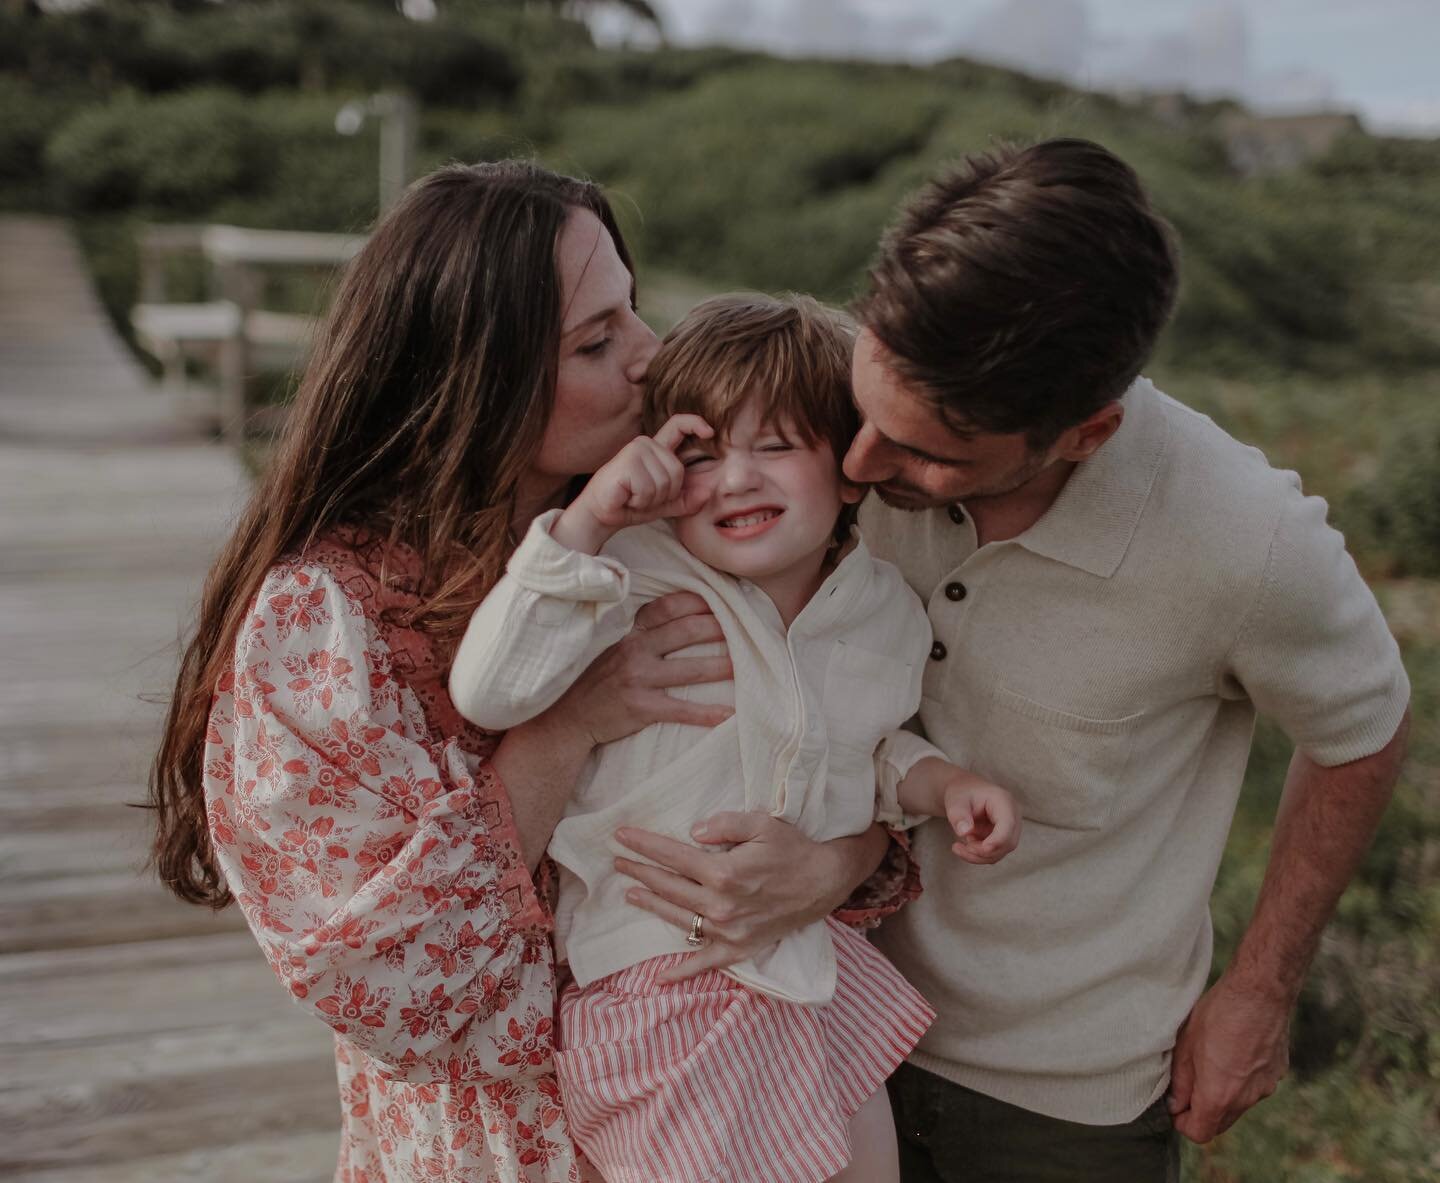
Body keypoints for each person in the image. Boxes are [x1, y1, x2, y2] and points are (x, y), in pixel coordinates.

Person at [147, 162, 911, 1183]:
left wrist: (837, 862)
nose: (649, 357)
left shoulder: (680, 534)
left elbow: (818, 734)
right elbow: (389, 980)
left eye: (633, 311)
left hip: (745, 1104)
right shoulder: (327, 621)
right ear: (476, 374)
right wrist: (566, 728)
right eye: (597, 340)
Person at [841, 137, 1412, 1183]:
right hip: (813, 1033)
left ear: (1084, 433)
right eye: (866, 407)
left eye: (925, 452)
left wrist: (1261, 987)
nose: (856, 464)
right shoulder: (837, 418)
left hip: (1058, 1111)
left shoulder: (1248, 544)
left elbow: (1363, 730)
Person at [449, 293, 1021, 1183]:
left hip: (810, 970)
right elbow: (489, 690)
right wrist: (591, 519)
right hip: (662, 989)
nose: (734, 479)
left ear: (850, 467)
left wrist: (941, 785)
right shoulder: (629, 579)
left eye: (777, 445)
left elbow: (867, 753)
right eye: (701, 452)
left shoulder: (882, 612)